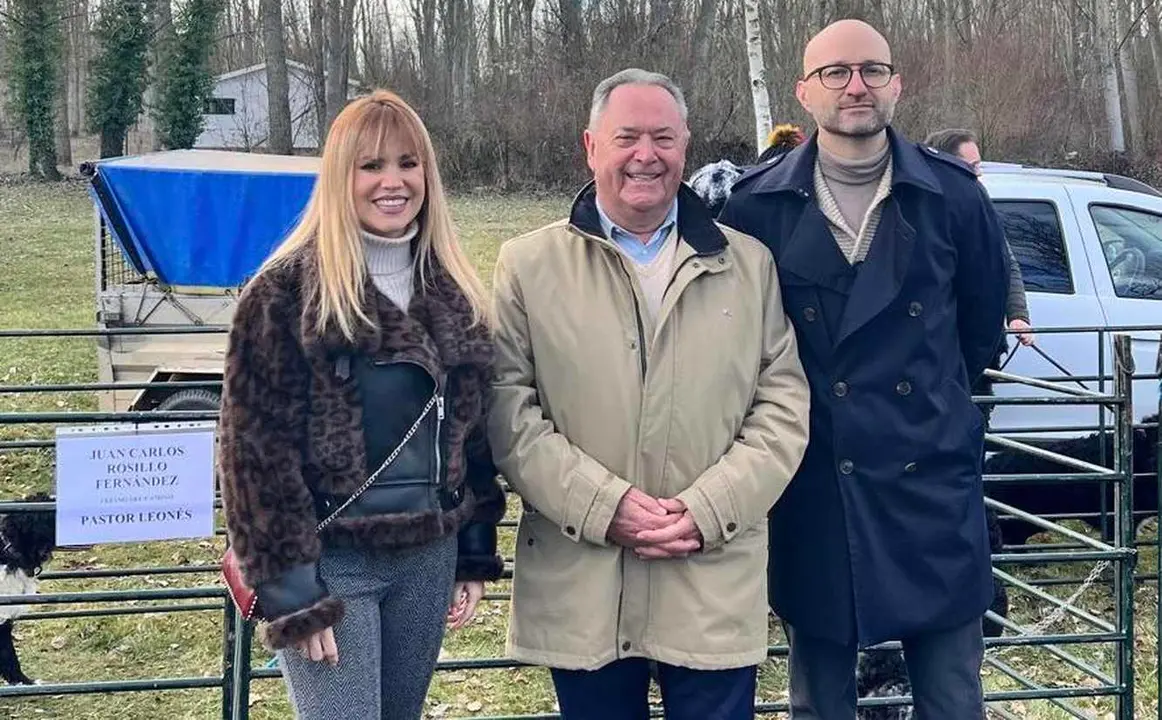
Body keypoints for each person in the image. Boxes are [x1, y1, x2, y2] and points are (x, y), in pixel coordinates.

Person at [487, 68, 811, 719]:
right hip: (584, 587)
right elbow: (507, 411)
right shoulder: (527, 267)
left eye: (662, 137)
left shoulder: (749, 267)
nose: (645, 155)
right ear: (591, 146)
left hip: (710, 581)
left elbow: (782, 409)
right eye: (626, 136)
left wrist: (705, 510)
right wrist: (605, 507)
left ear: (684, 146)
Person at [718, 20, 1010, 720]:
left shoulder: (954, 197)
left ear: (896, 84)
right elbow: (740, 351)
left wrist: (939, 429)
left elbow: (980, 335)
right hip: (818, 490)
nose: (856, 86)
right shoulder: (755, 207)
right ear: (804, 91)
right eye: (835, 72)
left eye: (872, 70)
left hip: (931, 492)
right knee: (820, 703)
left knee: (951, 700)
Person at [216, 90, 506, 719]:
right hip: (330, 562)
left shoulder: (454, 292)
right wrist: (292, 591)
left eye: (409, 162)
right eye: (371, 166)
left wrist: (475, 546)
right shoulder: (283, 295)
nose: (393, 182)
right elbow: (253, 456)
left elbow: (471, 436)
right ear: (339, 176)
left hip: (428, 559)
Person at [925, 127, 1034, 347]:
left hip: (983, 343)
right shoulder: (918, 211)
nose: (979, 173)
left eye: (979, 165)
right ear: (946, 165)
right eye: (972, 166)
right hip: (937, 347)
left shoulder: (982, 208)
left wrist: (1018, 316)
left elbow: (1005, 263)